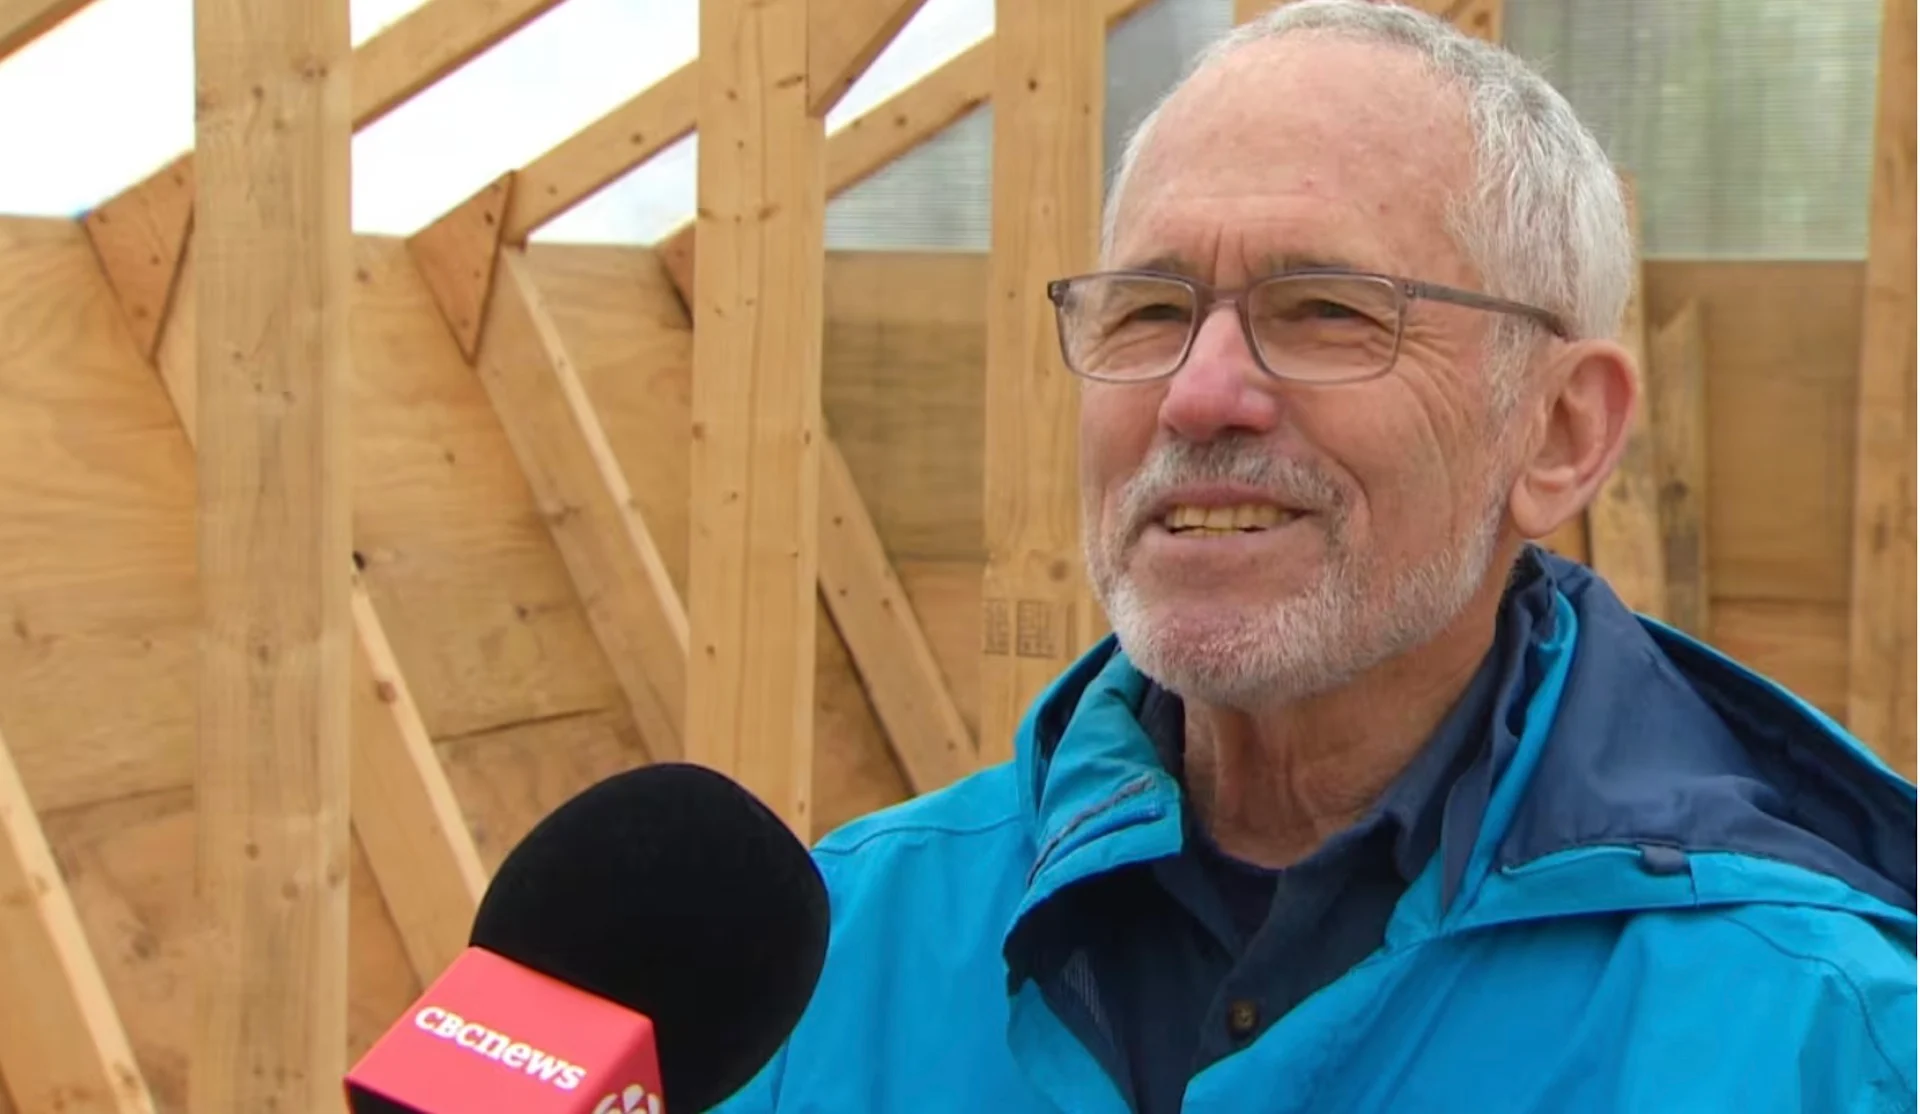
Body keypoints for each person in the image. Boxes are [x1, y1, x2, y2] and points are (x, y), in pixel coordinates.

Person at [717, 2, 1917, 1111]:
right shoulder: (823, 958)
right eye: (1146, 309)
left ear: (1559, 433)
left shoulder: (1824, 1032)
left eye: (1328, 309)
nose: (1198, 395)